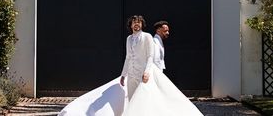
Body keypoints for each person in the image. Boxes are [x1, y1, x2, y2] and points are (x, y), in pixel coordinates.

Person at [59, 15, 202, 116]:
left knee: (144, 99)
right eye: (134, 22)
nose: (136, 24)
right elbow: (128, 57)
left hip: (144, 74)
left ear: (142, 24)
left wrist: (147, 72)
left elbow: (150, 56)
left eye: (139, 22)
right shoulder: (128, 38)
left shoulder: (147, 37)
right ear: (131, 24)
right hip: (132, 75)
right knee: (132, 99)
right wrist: (123, 75)